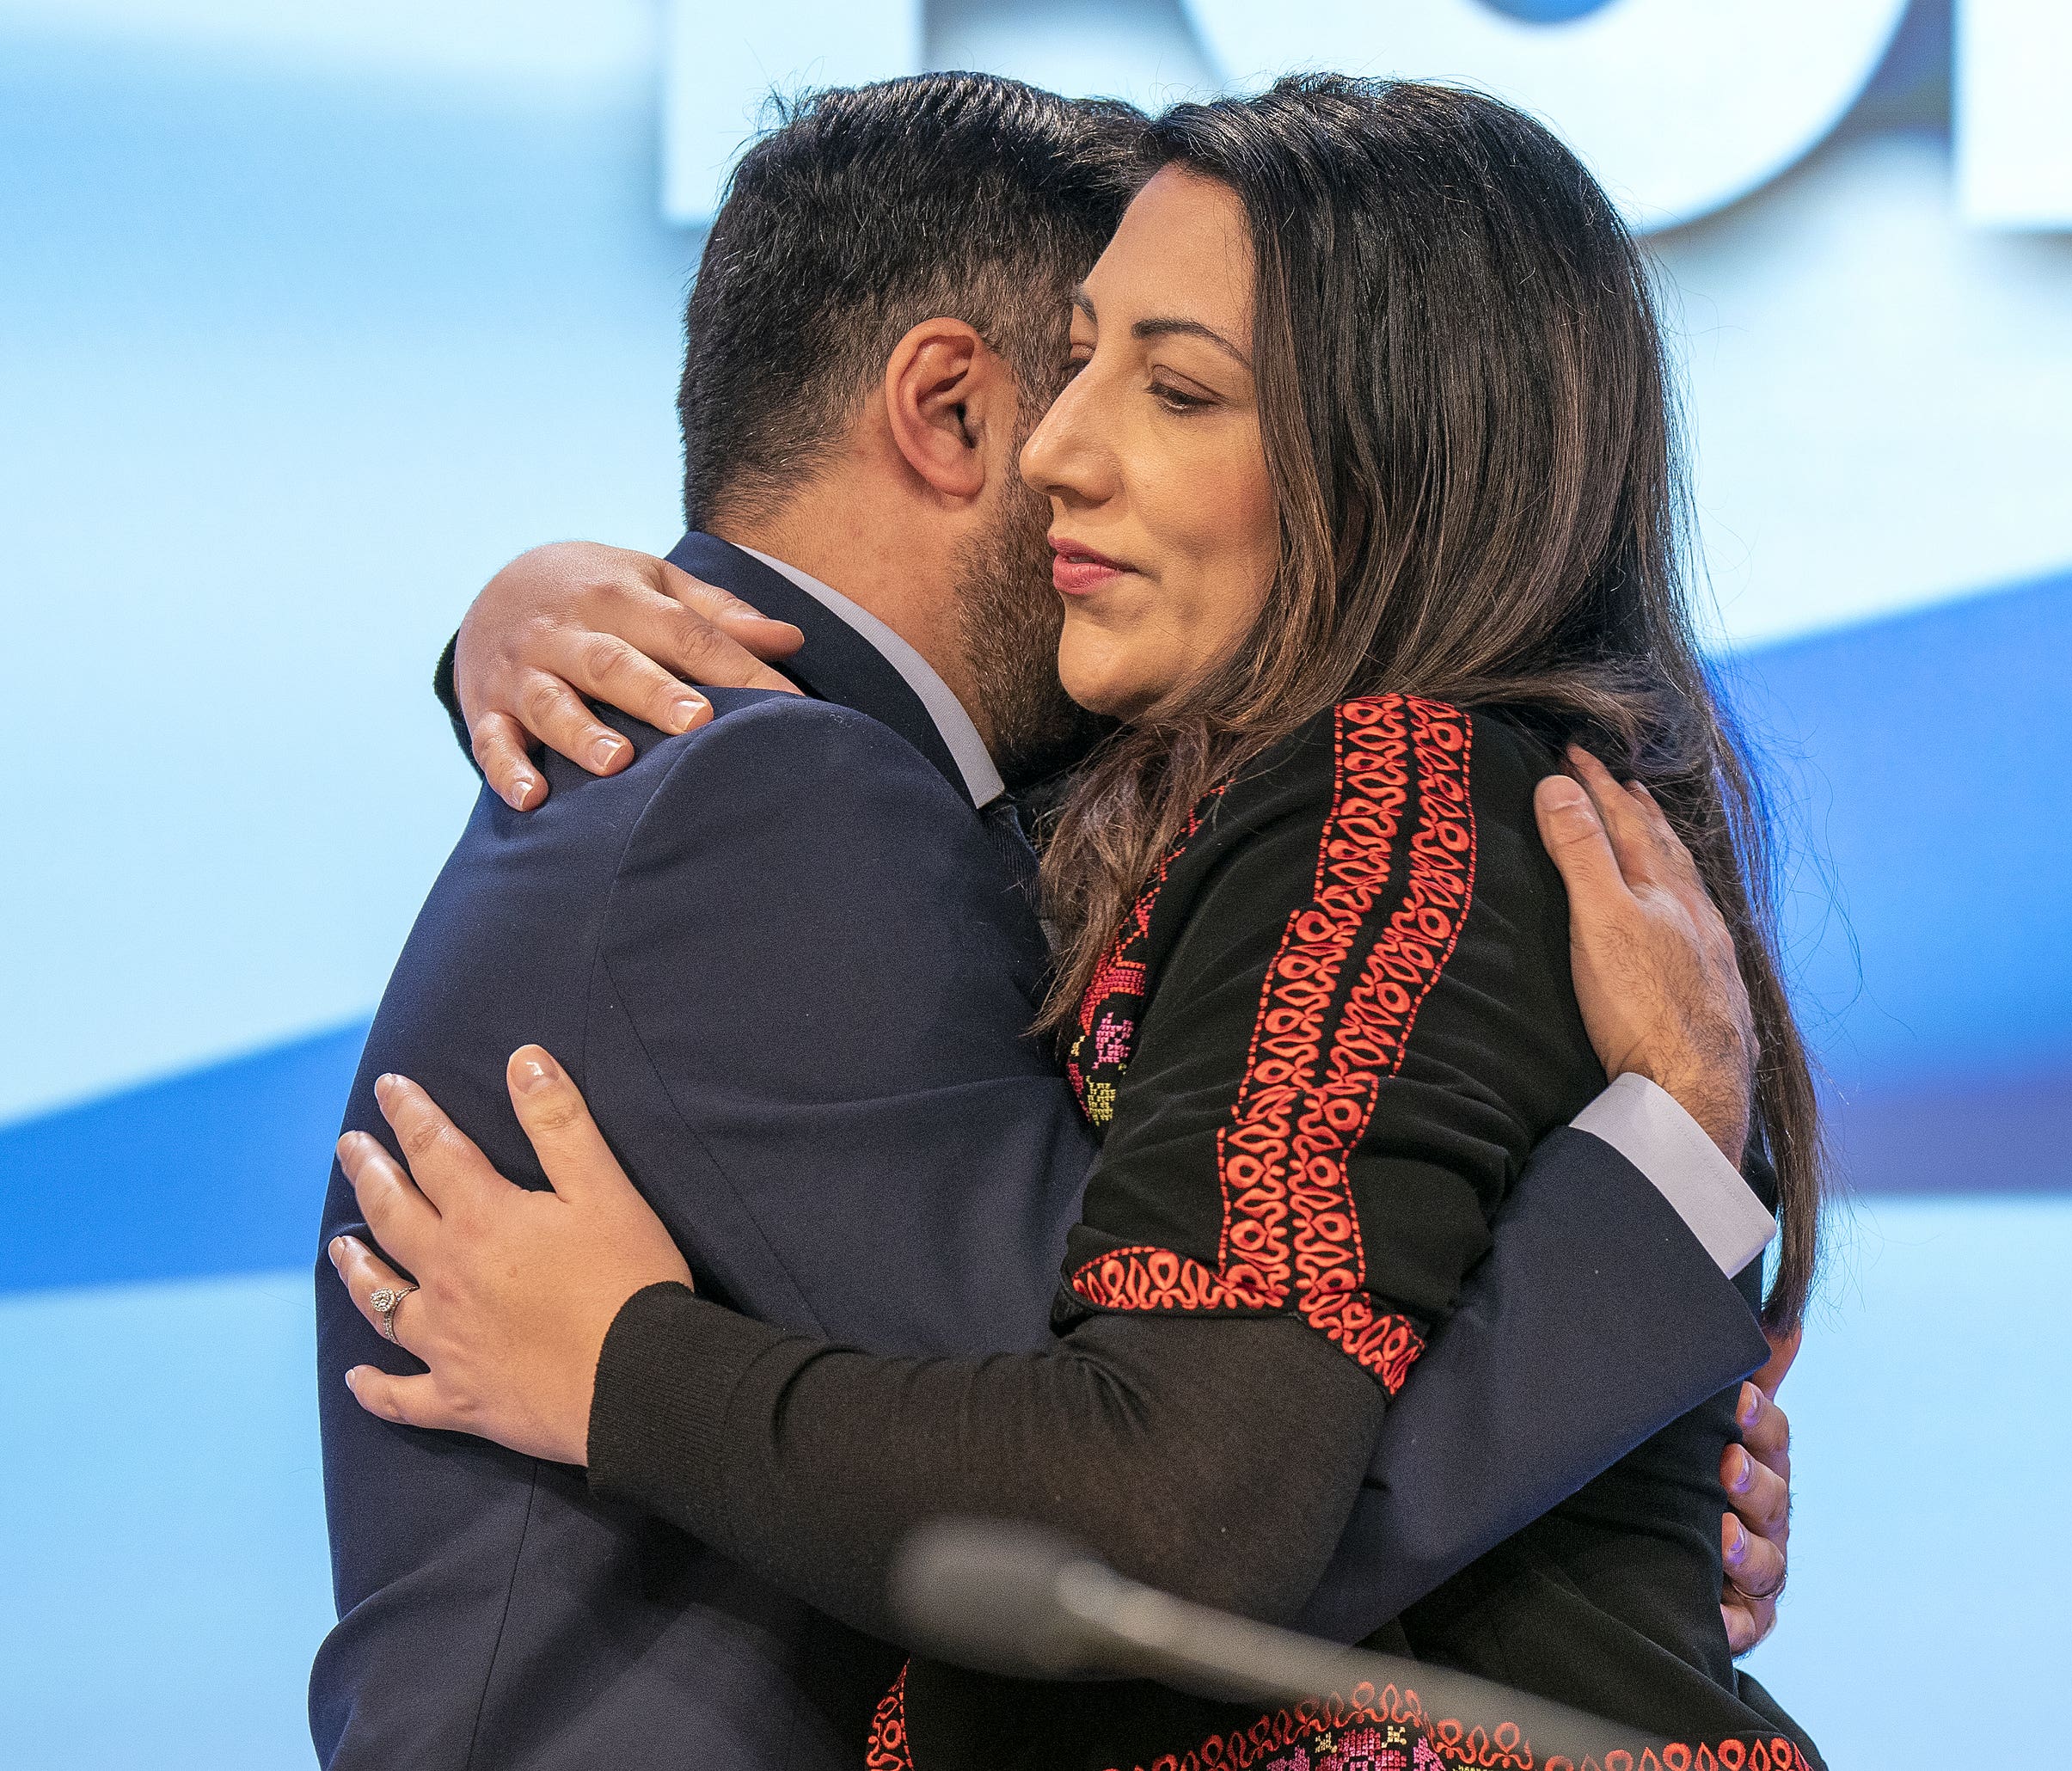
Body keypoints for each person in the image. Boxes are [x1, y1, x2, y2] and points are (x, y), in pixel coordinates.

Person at [325, 76, 1821, 1770]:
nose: (1064, 453)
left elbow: (1172, 1489)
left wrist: (1622, 1453)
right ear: (946, 406)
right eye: (1084, 358)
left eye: (1173, 385)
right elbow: (1165, 1504)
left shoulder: (1304, 793)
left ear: (1388, 446)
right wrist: (1650, 1230)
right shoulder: (776, 800)